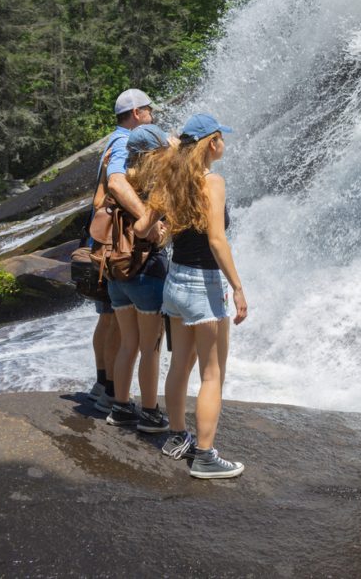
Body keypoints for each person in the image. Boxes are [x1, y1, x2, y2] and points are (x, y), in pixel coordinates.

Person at [139, 112, 248, 479]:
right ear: (211, 143)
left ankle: (176, 436)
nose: (224, 145)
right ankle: (204, 455)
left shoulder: (168, 180)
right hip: (205, 285)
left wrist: (163, 227)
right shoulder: (212, 182)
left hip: (176, 281)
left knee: (180, 366)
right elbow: (217, 240)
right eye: (221, 138)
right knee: (212, 374)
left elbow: (142, 227)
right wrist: (237, 287)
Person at [89, 88, 156, 415]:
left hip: (101, 244)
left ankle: (103, 384)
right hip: (116, 246)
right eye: (148, 110)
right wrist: (146, 217)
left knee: (108, 316)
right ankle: (112, 392)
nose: (152, 115)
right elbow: (116, 182)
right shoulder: (123, 143)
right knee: (118, 319)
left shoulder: (111, 139)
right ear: (135, 114)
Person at [105, 123, 170, 434]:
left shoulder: (120, 181)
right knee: (150, 348)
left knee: (127, 344)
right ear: (152, 154)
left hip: (116, 271)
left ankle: (119, 408)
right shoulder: (154, 185)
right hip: (146, 273)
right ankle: (149, 412)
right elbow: (151, 233)